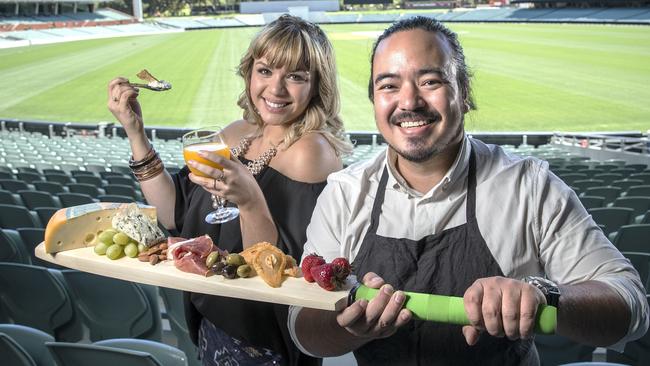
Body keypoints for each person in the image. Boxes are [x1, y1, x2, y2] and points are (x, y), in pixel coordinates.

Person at [289, 16, 649, 365]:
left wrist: (544, 296)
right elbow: (303, 329)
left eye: (431, 81)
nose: (409, 101)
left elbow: (630, 305)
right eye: (389, 85)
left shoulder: (528, 186)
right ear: (375, 102)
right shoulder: (345, 193)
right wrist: (351, 329)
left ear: (465, 94)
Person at [108, 15, 352, 366]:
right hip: (211, 325)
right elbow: (171, 212)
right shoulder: (237, 132)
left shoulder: (311, 152)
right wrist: (135, 132)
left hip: (263, 345)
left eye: (296, 76)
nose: (276, 89)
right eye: (265, 70)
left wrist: (250, 200)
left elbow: (280, 275)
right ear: (249, 72)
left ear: (317, 86)